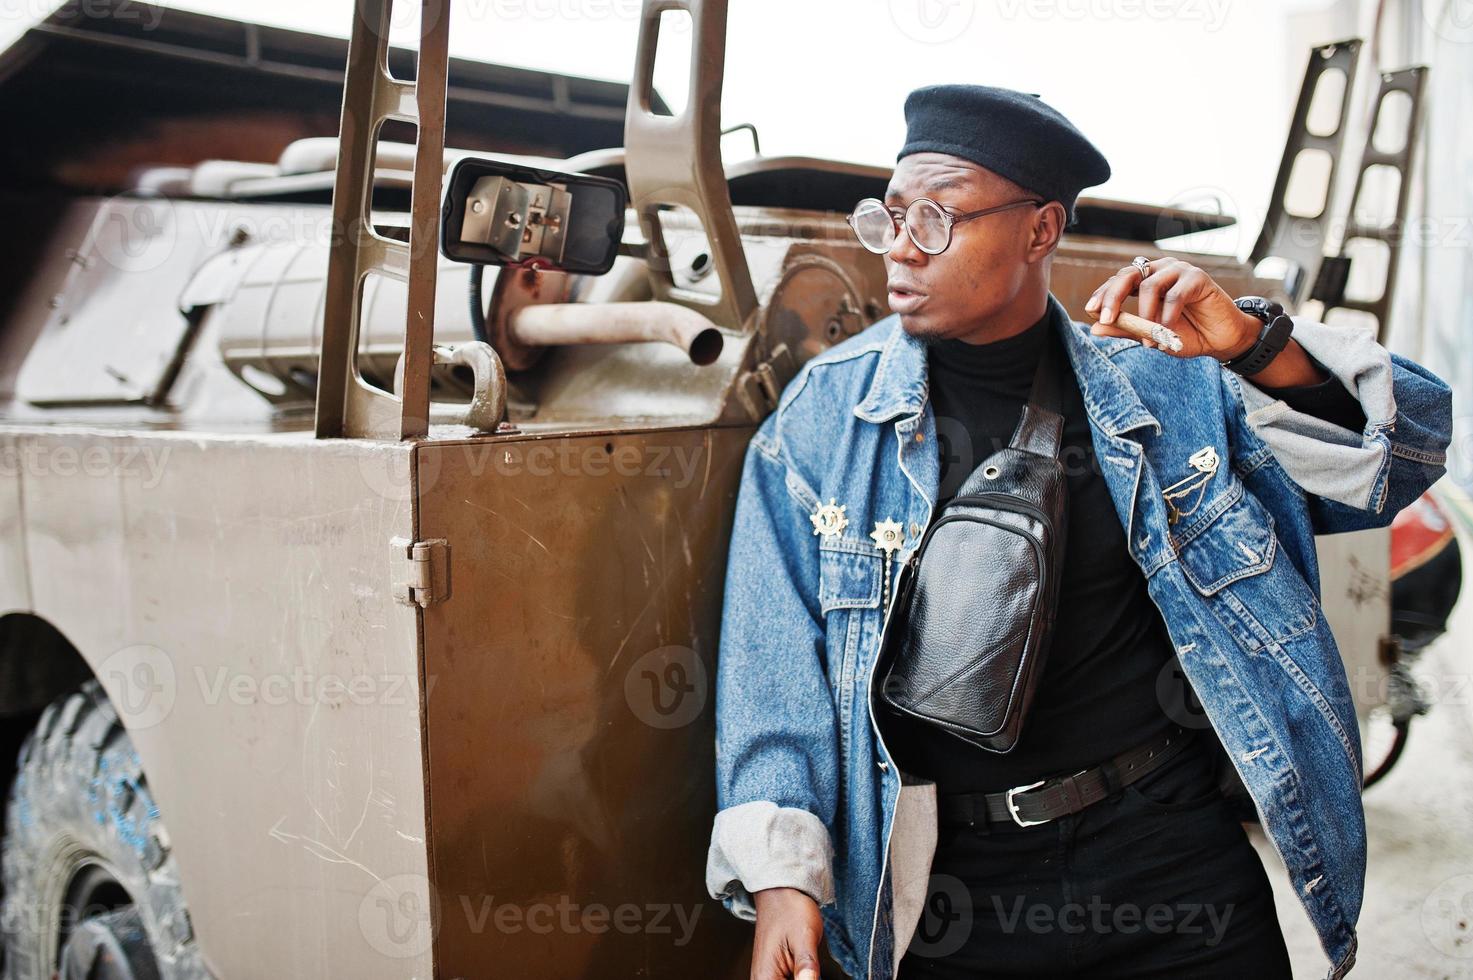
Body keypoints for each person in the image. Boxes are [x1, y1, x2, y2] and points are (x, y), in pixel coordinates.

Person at [704, 84, 1453, 980]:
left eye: (938, 220)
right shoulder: (825, 422)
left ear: (1038, 230)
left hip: (1169, 863)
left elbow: (1399, 459)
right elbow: (771, 669)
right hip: (947, 893)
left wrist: (1257, 350)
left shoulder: (1168, 389)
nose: (900, 251)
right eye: (891, 216)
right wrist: (785, 881)